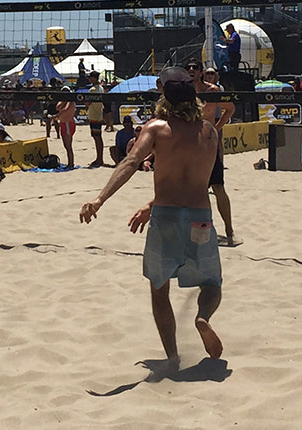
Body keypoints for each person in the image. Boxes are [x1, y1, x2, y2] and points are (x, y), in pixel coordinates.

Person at [79, 66, 223, 373]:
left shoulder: (157, 128)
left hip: (166, 216)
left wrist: (100, 199)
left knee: (159, 288)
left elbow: (131, 162)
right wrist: (149, 204)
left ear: (164, 98)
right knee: (211, 284)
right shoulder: (209, 131)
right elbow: (197, 181)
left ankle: (172, 355)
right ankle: (203, 318)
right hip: (200, 217)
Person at [188, 60, 240, 245]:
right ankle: (200, 231)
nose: (191, 70)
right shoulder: (184, 91)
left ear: (201, 72)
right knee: (195, 191)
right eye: (188, 68)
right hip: (190, 145)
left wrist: (216, 128)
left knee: (218, 188)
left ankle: (229, 231)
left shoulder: (212, 91)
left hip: (209, 145)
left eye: (195, 67)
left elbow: (230, 109)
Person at [86, 71, 106, 167]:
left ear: (94, 78)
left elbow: (87, 103)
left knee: (97, 138)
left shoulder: (92, 90)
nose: (89, 79)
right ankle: (99, 158)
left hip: (94, 115)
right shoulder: (101, 88)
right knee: (98, 137)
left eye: (90, 77)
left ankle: (99, 159)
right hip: (99, 115)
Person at [55, 86, 76, 168]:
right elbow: (57, 107)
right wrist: (64, 100)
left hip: (68, 123)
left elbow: (65, 110)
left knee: (68, 146)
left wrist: (55, 116)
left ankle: (71, 163)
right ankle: (70, 163)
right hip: (63, 123)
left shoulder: (70, 101)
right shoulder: (63, 101)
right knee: (66, 145)